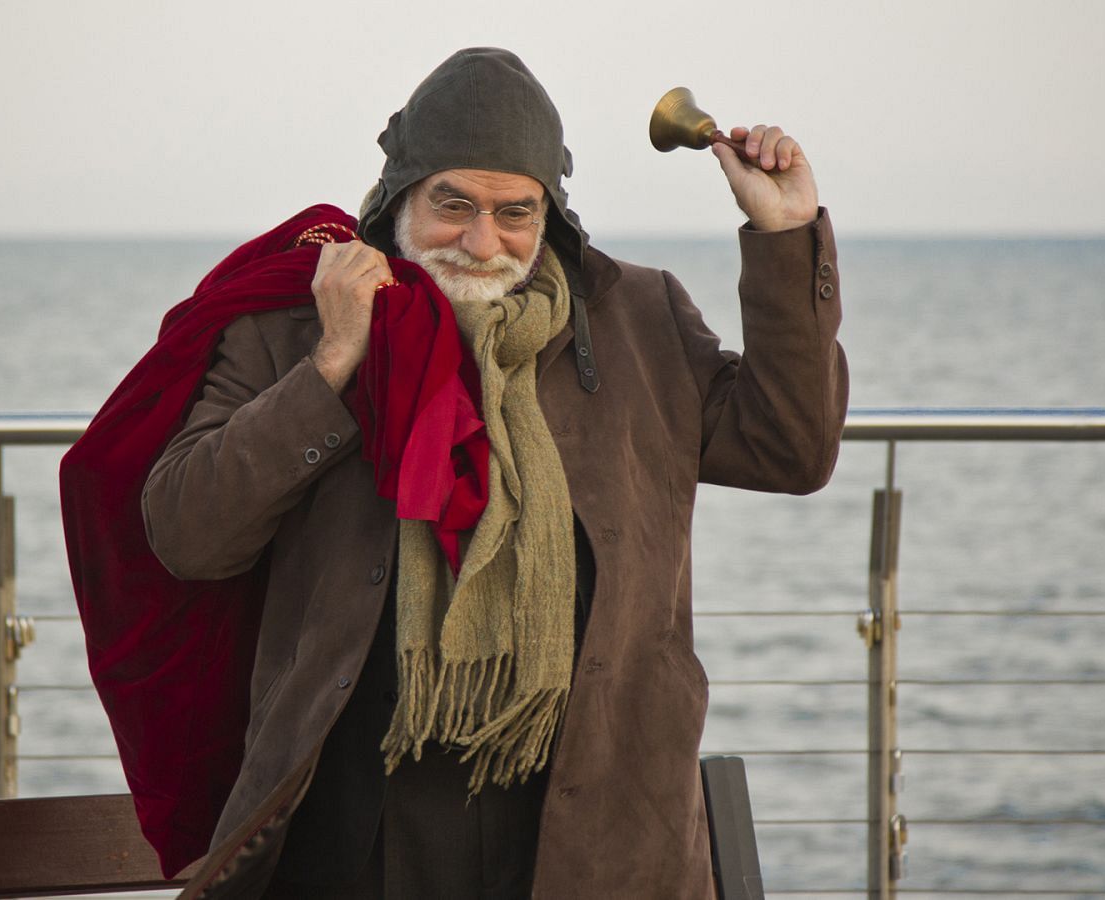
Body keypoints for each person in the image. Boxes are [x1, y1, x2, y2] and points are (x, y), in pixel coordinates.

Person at [140, 47, 847, 899]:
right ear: (400, 197)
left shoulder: (640, 318)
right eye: (453, 205)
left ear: (551, 212)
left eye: (516, 211)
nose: (483, 242)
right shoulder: (296, 322)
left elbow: (791, 448)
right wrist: (331, 365)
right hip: (354, 833)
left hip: (593, 830)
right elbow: (187, 535)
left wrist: (783, 233)